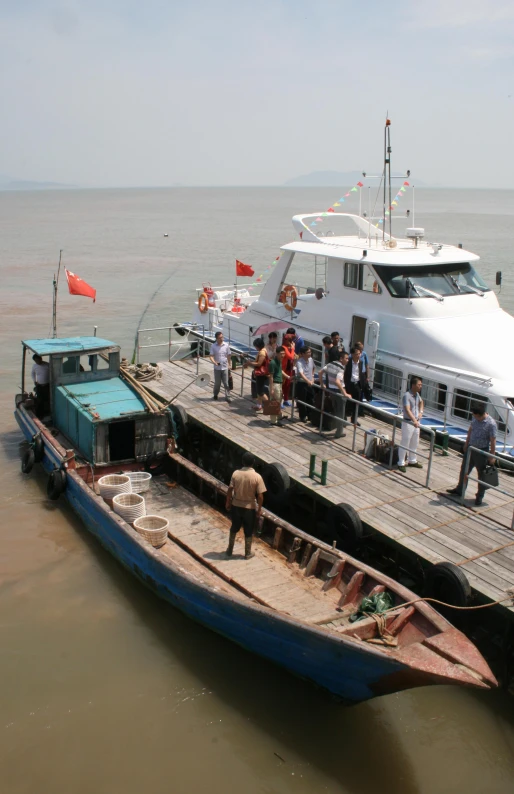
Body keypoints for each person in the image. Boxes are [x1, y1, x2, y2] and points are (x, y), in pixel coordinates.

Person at [447, 403, 497, 506]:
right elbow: (470, 430)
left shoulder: (491, 424)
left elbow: (493, 440)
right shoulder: (475, 419)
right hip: (471, 449)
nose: (473, 417)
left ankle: (479, 497)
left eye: (475, 415)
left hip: (481, 451)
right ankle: (460, 490)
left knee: (481, 475)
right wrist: (466, 443)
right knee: (464, 470)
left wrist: (492, 455)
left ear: (480, 414)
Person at [225, 452, 266, 559]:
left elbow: (230, 489)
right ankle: (247, 553)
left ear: (242, 462)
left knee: (234, 527)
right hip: (250, 508)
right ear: (253, 463)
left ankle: (229, 550)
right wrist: (259, 510)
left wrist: (228, 502)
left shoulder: (236, 474)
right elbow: (260, 496)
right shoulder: (257, 477)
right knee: (248, 530)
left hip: (236, 505)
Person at [319, 350, 350, 438]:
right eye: (346, 358)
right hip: (339, 392)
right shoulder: (341, 368)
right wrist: (345, 393)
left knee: (336, 411)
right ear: (341, 358)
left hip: (331, 390)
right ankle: (339, 432)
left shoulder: (330, 364)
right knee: (341, 412)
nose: (347, 360)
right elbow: (337, 381)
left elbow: (320, 372)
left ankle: (337, 429)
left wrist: (322, 384)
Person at [397, 376, 424, 472]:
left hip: (416, 422)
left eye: (421, 385)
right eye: (419, 384)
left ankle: (412, 460)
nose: (421, 386)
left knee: (415, 441)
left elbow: (421, 402)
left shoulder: (417, 395)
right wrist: (414, 420)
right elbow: (407, 410)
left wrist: (421, 412)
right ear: (413, 385)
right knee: (405, 441)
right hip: (408, 422)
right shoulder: (407, 395)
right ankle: (401, 462)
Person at [344, 346, 368, 425]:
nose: (359, 355)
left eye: (359, 354)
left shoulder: (360, 362)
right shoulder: (348, 362)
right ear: (352, 354)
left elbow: (361, 373)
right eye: (357, 354)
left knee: (357, 402)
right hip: (349, 384)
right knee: (347, 402)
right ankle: (343, 418)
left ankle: (354, 419)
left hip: (357, 384)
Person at [244, 338, 269, 412]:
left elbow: (259, 363)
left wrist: (249, 363)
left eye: (255, 346)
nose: (255, 347)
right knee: (259, 391)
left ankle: (269, 406)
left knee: (260, 392)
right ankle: (259, 405)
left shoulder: (262, 353)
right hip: (260, 373)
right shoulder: (263, 350)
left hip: (261, 374)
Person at [268, 346, 289, 425]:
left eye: (284, 354)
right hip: (275, 384)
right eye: (281, 354)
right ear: (276, 353)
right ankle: (273, 421)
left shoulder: (279, 361)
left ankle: (279, 416)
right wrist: (272, 388)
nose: (282, 355)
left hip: (279, 384)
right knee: (274, 402)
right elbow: (271, 376)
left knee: (279, 401)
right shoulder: (273, 363)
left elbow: (280, 371)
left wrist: (288, 377)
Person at [209, 331, 231, 403]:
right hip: (217, 368)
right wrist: (214, 362)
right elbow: (211, 356)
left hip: (224, 367)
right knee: (217, 383)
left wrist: (229, 364)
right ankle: (215, 394)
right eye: (219, 338)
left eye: (222, 337)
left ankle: (228, 396)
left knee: (226, 383)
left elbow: (228, 355)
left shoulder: (226, 345)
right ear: (216, 339)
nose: (221, 339)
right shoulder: (213, 346)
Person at [295, 346, 316, 422]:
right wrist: (308, 381)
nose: (310, 354)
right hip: (302, 383)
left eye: (310, 352)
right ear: (303, 354)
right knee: (302, 400)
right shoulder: (299, 362)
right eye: (308, 352)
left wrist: (312, 377)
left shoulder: (311, 360)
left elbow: (314, 368)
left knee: (311, 399)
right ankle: (303, 416)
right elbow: (301, 373)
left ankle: (310, 415)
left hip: (310, 383)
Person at [31, 353, 50, 419]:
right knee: (39, 400)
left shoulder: (47, 365)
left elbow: (52, 373)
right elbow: (32, 374)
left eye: (38, 360)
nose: (37, 361)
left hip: (47, 385)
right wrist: (34, 381)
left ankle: (48, 413)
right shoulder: (34, 366)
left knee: (47, 399)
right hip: (39, 386)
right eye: (36, 360)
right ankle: (39, 415)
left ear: (41, 359)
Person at [281, 334, 296, 407]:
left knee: (287, 385)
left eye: (290, 340)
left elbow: (294, 356)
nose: (289, 341)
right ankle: (280, 402)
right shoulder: (284, 347)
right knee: (281, 385)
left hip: (289, 368)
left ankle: (286, 400)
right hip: (283, 369)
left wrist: (292, 348)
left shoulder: (289, 347)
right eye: (288, 340)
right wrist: (293, 348)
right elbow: (290, 357)